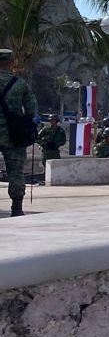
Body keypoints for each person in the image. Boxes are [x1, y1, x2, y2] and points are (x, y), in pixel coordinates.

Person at [0, 49, 39, 216]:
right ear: (11, 63)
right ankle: (16, 208)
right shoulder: (20, 84)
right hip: (12, 135)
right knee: (15, 171)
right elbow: (32, 111)